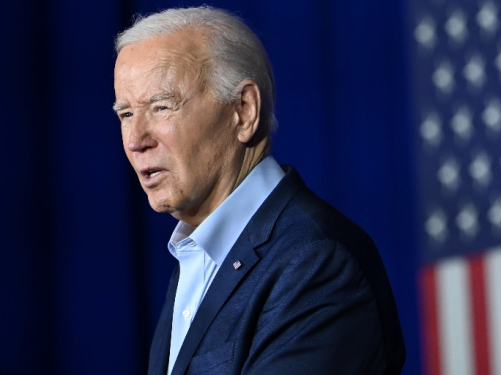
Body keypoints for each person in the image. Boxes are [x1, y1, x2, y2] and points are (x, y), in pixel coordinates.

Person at [113, 6, 405, 375]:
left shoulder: (317, 262)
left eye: (161, 106)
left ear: (244, 110)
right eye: (125, 114)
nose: (136, 139)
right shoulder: (197, 256)